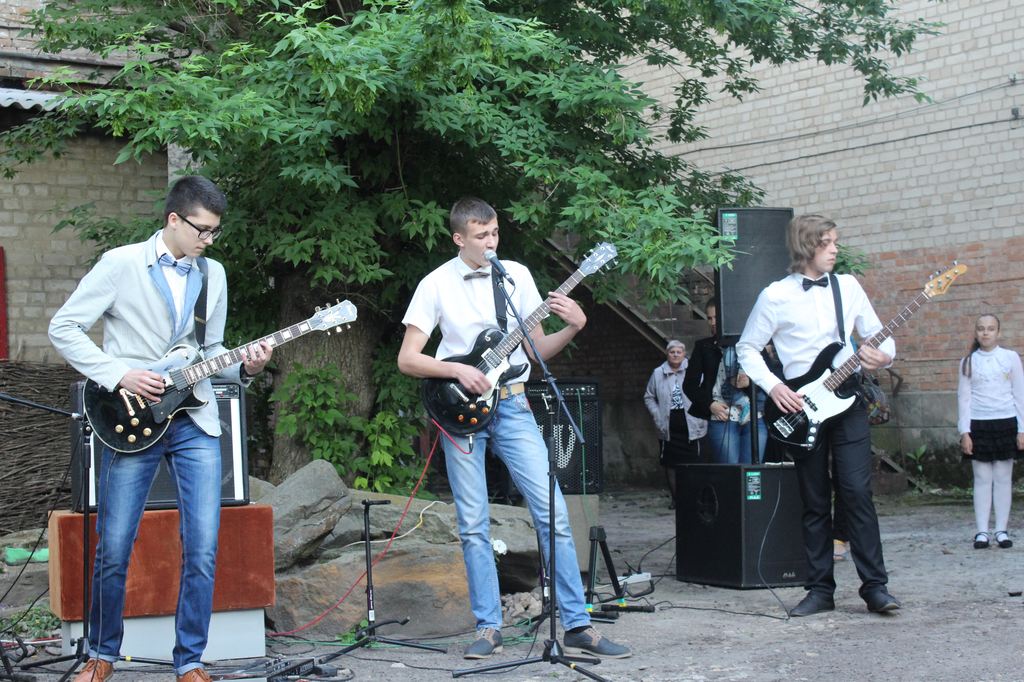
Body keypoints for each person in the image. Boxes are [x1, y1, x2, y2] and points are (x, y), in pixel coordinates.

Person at [49, 176, 272, 682]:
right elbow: (63, 327)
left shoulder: (213, 274)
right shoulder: (120, 264)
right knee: (114, 546)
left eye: (215, 232)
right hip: (129, 416)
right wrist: (118, 374)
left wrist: (248, 366)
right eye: (202, 230)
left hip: (195, 419)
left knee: (203, 548)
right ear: (174, 219)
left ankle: (189, 661)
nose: (209, 240)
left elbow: (211, 352)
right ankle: (101, 655)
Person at [397, 197, 630, 660]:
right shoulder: (435, 283)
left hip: (514, 403)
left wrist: (575, 327)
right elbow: (408, 358)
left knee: (553, 514)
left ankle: (577, 625)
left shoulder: (516, 276)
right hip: (459, 411)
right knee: (473, 523)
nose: (491, 242)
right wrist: (456, 370)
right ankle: (489, 628)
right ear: (459, 238)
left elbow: (538, 349)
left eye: (495, 233)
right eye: (481, 236)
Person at [736, 213, 900, 616]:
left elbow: (880, 335)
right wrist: (774, 386)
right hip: (802, 407)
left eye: (835, 242)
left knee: (857, 492)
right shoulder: (775, 296)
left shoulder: (848, 286)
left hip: (848, 402)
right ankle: (820, 590)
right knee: (814, 499)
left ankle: (875, 588)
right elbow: (747, 348)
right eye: (827, 243)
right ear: (807, 246)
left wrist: (883, 357)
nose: (835, 249)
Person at [957, 313, 1024, 550]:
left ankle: (1001, 531)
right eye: (981, 328)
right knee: (982, 479)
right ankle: (982, 532)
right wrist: (965, 432)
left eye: (991, 328)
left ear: (999, 332)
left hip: (1006, 423)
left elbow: (1020, 394)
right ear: (976, 333)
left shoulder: (1010, 358)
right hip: (979, 425)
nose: (985, 332)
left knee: (1003, 478)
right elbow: (964, 399)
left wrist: (1022, 429)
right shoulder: (968, 362)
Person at [683, 301, 768, 464]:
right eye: (709, 318)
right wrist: (710, 404)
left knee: (753, 472)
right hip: (722, 415)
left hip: (755, 415)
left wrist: (750, 383)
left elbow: (770, 378)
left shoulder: (752, 345)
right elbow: (689, 385)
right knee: (730, 471)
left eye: (716, 317)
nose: (713, 322)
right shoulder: (704, 346)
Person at [644, 340, 707, 507]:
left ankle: (694, 498)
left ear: (684, 354)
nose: (676, 355)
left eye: (679, 352)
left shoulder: (694, 369)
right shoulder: (658, 373)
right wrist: (657, 415)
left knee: (694, 461)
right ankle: (676, 499)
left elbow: (705, 391)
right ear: (667, 354)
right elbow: (649, 397)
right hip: (668, 423)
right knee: (670, 463)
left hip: (692, 421)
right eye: (672, 352)